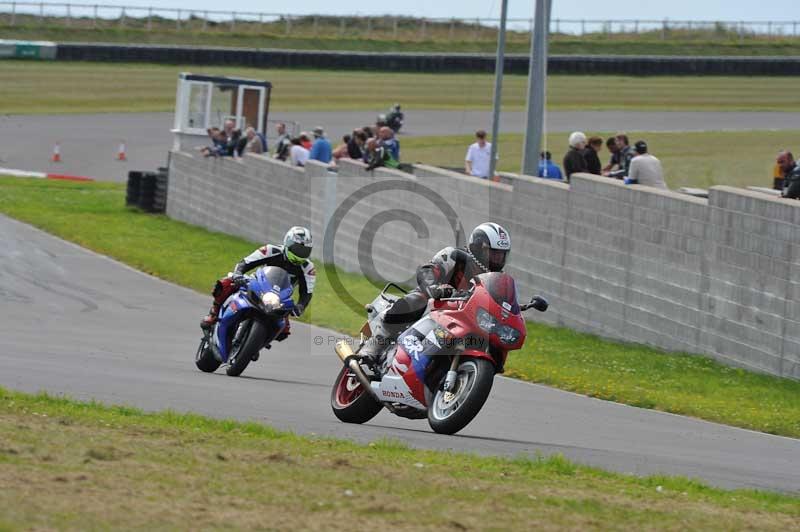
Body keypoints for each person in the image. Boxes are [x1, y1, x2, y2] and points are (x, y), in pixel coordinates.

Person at [359, 222, 512, 361]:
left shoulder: (498, 280)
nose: (498, 259)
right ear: (478, 248)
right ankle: (375, 345)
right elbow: (428, 270)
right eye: (494, 254)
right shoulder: (455, 256)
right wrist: (434, 288)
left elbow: (502, 301)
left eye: (501, 255)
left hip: (463, 319)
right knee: (417, 299)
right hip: (435, 306)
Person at [200, 226, 315, 331]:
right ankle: (214, 313)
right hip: (258, 284)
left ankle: (256, 346)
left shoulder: (308, 268)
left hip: (280, 298)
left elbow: (307, 292)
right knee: (226, 282)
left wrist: (300, 306)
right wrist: (238, 274)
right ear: (287, 242)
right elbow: (246, 262)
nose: (300, 254)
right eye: (298, 249)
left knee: (284, 329)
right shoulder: (271, 250)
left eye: (304, 251)